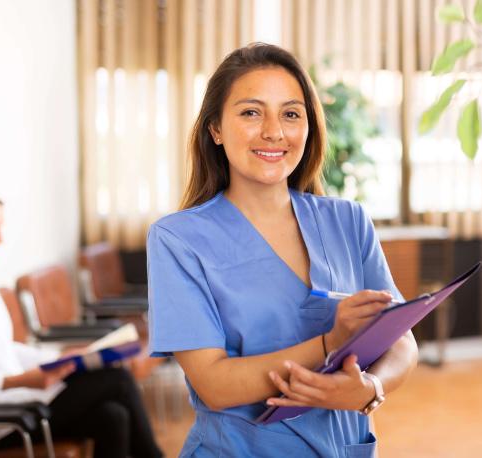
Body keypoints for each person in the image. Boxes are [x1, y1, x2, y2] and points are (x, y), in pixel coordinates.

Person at [147, 43, 419, 457]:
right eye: (251, 112)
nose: (274, 131)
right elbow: (213, 385)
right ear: (215, 129)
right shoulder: (178, 240)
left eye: (291, 114)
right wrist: (329, 344)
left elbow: (401, 338)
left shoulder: (348, 221)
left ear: (308, 128)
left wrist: (370, 387)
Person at [0, 187, 163, 458]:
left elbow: (2, 348)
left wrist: (59, 357)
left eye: (0, 228)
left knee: (113, 417)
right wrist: (17, 380)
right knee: (119, 379)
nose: (0, 239)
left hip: (14, 400)